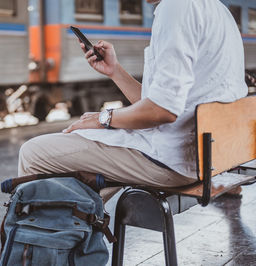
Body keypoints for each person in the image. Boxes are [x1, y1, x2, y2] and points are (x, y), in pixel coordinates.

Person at [18, 0, 248, 201]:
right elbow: (157, 102)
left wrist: (103, 119)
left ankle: (38, 246)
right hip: (207, 155)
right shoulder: (217, 9)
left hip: (173, 160)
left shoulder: (176, 7)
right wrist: (114, 71)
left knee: (34, 152)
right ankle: (74, 239)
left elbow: (162, 111)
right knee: (83, 179)